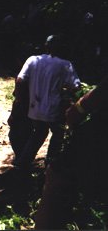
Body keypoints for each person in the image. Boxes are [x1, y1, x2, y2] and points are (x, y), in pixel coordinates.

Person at [34, 74, 108, 229]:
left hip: (96, 139)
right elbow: (77, 87)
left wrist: (78, 109)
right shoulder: (66, 66)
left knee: (56, 180)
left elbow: (81, 107)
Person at [13, 34, 81, 169]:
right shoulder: (65, 64)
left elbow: (20, 80)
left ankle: (23, 162)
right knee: (57, 136)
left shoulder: (33, 60)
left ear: (46, 46)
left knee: (38, 133)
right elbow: (77, 86)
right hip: (55, 109)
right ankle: (50, 165)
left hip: (35, 109)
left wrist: (21, 100)